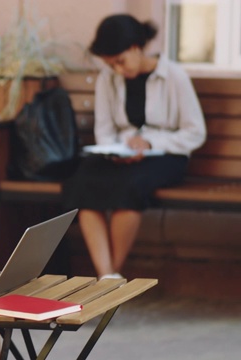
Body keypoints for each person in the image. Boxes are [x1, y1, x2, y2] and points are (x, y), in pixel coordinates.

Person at [62, 14, 206, 280]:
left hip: (166, 155)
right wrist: (115, 151)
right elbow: (104, 129)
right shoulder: (109, 79)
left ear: (136, 48)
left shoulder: (174, 76)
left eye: (120, 61)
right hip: (121, 153)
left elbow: (195, 132)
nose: (117, 70)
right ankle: (106, 275)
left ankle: (113, 274)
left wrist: (152, 143)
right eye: (110, 64)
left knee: (129, 187)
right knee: (82, 182)